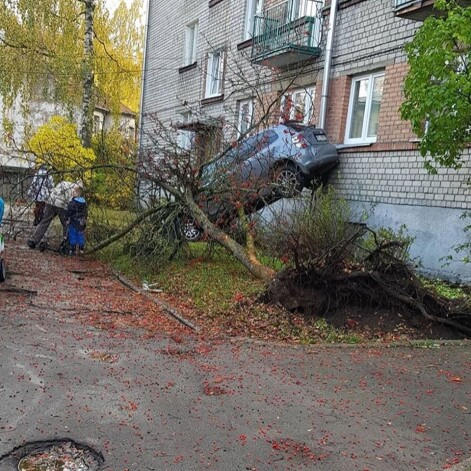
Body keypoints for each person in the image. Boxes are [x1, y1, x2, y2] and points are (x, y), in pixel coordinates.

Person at [28, 180, 80, 249]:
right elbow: (70, 203)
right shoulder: (75, 190)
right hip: (61, 205)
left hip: (51, 201)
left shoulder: (64, 183)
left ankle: (33, 240)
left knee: (45, 221)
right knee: (66, 225)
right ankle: (66, 246)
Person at [65, 186, 87, 255]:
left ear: (78, 193)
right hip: (81, 222)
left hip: (73, 221)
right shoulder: (84, 203)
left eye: (74, 191)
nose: (72, 192)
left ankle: (72, 248)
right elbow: (86, 213)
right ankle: (81, 248)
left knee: (73, 234)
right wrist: (85, 219)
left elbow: (69, 211)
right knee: (80, 234)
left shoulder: (73, 203)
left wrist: (66, 218)